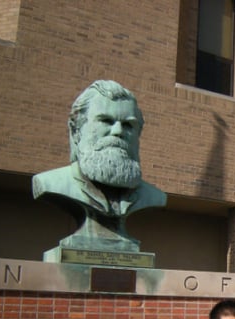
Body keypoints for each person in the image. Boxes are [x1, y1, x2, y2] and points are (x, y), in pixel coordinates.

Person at [32, 80, 166, 249]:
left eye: (128, 125)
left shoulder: (153, 196)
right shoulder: (51, 182)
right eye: (106, 121)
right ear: (76, 130)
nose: (118, 131)